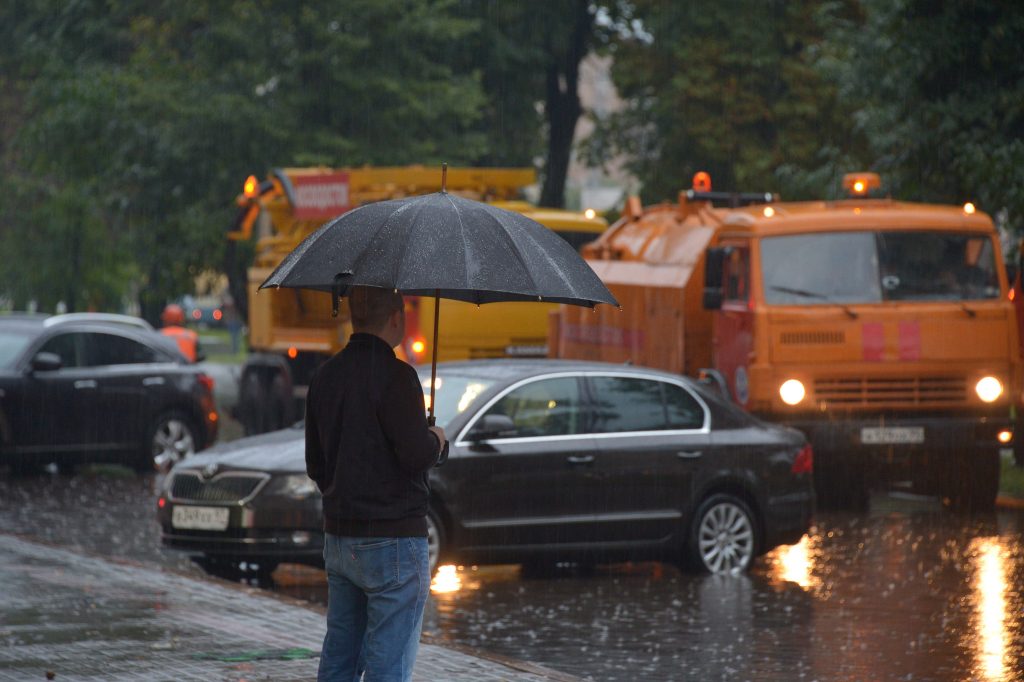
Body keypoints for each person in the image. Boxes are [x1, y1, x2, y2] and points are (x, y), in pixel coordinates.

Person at [305, 285, 447, 682]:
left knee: (341, 654)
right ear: (396, 318)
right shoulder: (398, 378)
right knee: (389, 659)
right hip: (395, 542)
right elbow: (415, 456)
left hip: (339, 538)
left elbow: (315, 464)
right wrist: (436, 439)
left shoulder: (324, 377)